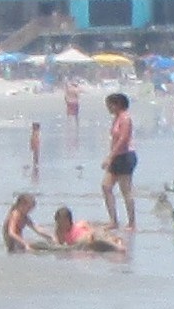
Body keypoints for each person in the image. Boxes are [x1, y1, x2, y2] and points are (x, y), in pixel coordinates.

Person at [101, 92, 137, 231]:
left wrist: (110, 157)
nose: (108, 108)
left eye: (110, 104)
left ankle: (132, 222)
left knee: (125, 190)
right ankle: (113, 221)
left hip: (126, 156)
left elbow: (123, 139)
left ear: (117, 105)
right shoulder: (116, 118)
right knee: (106, 186)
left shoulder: (125, 118)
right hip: (117, 156)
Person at [51, 204, 125, 252]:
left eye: (62, 222)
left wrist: (93, 233)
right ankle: (116, 245)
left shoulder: (80, 224)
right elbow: (59, 245)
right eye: (58, 222)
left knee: (100, 235)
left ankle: (117, 244)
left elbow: (92, 229)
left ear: (68, 220)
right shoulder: (60, 232)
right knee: (93, 240)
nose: (60, 224)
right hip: (84, 242)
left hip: (92, 237)